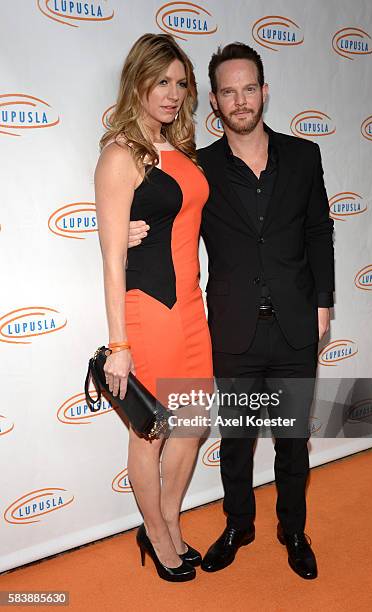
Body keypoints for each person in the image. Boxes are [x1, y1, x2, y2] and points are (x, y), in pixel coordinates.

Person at [129, 42, 334, 580]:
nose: (239, 100)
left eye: (249, 88)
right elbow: (161, 204)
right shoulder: (200, 168)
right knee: (237, 441)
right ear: (215, 104)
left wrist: (324, 303)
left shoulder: (304, 155)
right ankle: (238, 524)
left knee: (292, 440)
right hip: (232, 327)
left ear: (264, 92)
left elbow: (319, 231)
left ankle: (293, 529)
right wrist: (132, 229)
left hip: (295, 325)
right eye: (227, 92)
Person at [94, 33, 213, 582]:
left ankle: (165, 518)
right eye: (161, 81)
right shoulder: (120, 154)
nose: (172, 93)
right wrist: (119, 346)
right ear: (137, 81)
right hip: (150, 308)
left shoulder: (179, 150)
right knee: (154, 429)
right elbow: (112, 258)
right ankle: (159, 532)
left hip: (191, 306)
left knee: (194, 421)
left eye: (180, 83)